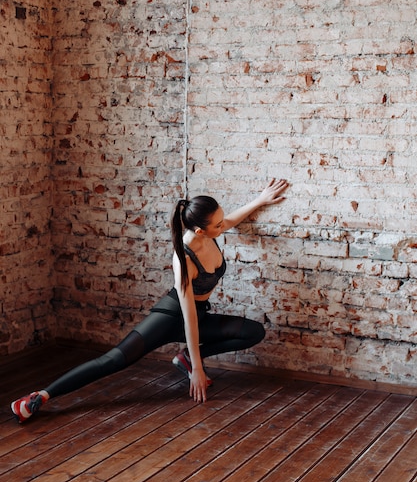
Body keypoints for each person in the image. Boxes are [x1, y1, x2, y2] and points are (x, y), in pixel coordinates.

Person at [11, 178, 289, 422]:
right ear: (201, 230)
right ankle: (40, 396)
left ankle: (186, 359)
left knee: (254, 331)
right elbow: (188, 316)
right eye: (218, 224)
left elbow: (231, 221)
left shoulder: (210, 233)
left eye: (221, 219)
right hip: (171, 318)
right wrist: (199, 371)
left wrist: (260, 200)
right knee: (114, 360)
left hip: (200, 313)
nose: (224, 226)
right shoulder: (185, 259)